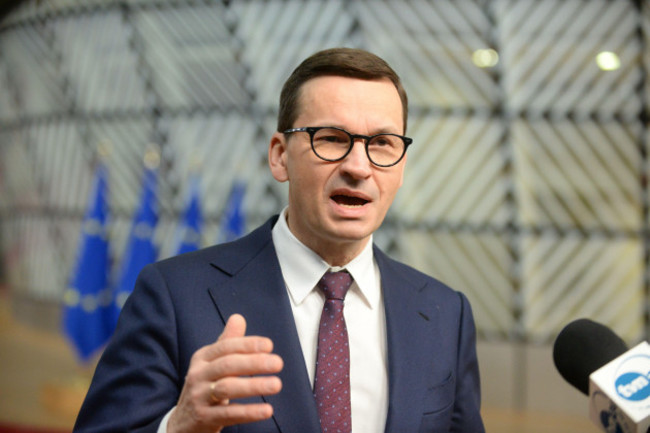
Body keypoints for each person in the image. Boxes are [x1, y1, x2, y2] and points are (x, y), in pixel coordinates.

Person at [73, 47, 485, 433]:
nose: (359, 166)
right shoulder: (173, 296)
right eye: (332, 138)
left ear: (402, 164)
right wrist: (178, 426)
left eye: (381, 143)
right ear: (279, 155)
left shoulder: (446, 314)